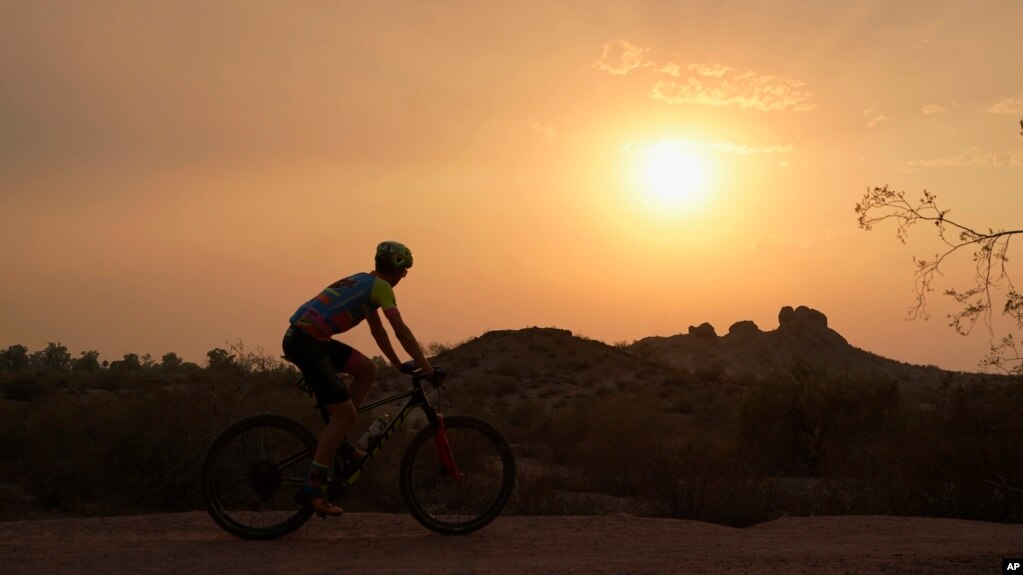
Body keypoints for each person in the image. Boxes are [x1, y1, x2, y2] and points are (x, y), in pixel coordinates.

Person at [282, 241, 439, 517]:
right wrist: (428, 369)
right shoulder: (382, 288)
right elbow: (400, 330)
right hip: (306, 342)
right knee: (344, 416)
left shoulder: (364, 281)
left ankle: (341, 442)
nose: (404, 278)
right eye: (405, 272)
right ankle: (311, 489)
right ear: (399, 271)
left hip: (307, 337)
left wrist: (398, 364)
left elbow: (378, 331)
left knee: (368, 370)